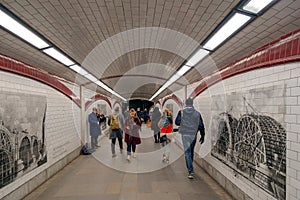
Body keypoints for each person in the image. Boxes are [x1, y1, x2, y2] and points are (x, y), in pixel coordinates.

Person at [175, 98, 205, 179]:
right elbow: (201, 126)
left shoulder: (181, 112)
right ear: (192, 104)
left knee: (187, 152)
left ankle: (190, 171)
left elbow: (177, 122)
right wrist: (203, 136)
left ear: (186, 104)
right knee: (191, 151)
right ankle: (190, 167)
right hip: (193, 134)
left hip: (185, 134)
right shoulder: (197, 114)